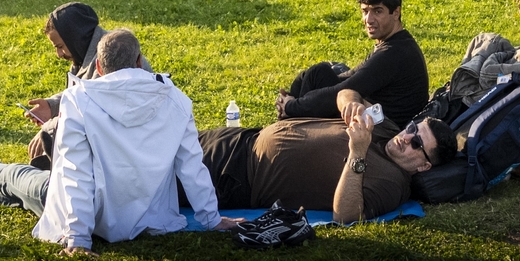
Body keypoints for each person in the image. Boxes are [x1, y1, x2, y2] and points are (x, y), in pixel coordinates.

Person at [0, 29, 233, 256]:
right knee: (26, 189)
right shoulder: (176, 99)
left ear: (100, 69)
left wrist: (79, 237)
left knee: (19, 179)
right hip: (148, 216)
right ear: (139, 62)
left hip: (86, 214)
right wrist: (212, 218)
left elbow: (74, 173)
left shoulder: (79, 101)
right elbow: (192, 166)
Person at [195, 105, 457, 223]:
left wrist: (358, 151)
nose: (407, 137)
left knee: (157, 175)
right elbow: (347, 92)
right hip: (241, 139)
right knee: (163, 140)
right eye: (413, 128)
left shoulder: (394, 184)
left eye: (417, 144)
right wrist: (351, 104)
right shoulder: (387, 128)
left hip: (234, 177)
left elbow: (346, 216)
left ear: (424, 166)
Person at [276, 0, 430, 130]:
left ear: (396, 13)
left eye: (377, 11)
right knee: (318, 73)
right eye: (365, 11)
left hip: (383, 131)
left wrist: (292, 106)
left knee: (324, 85)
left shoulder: (394, 53)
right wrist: (292, 101)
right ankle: (289, 125)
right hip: (370, 115)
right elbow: (350, 76)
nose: (369, 20)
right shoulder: (394, 43)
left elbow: (342, 90)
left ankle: (291, 129)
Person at [22, 3, 129, 168]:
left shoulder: (111, 58)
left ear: (75, 37)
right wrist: (52, 106)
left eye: (60, 47)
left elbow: (94, 113)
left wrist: (52, 128)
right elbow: (79, 94)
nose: (59, 55)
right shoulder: (84, 53)